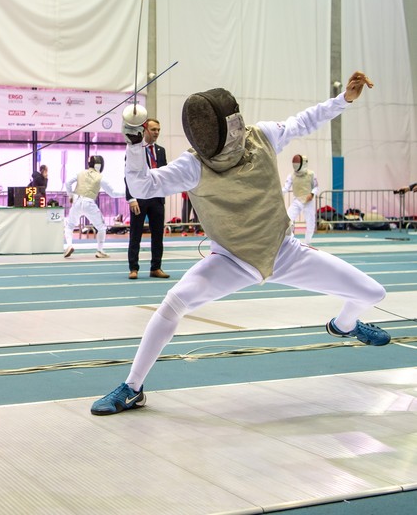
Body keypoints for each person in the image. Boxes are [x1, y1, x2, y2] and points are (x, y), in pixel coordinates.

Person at [91, 71, 390, 417]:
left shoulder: (263, 136)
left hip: (285, 251)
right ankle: (132, 388)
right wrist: (134, 146)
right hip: (231, 260)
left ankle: (345, 325)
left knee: (373, 293)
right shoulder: (193, 165)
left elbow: (304, 121)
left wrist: (343, 100)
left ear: (230, 125)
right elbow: (142, 186)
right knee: (174, 302)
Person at [126, 119, 169, 279]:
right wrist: (131, 198)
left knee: (158, 235)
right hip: (140, 198)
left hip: (157, 197)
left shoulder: (161, 151)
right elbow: (127, 174)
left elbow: (165, 173)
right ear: (145, 130)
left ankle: (155, 267)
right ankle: (133, 268)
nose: (156, 132)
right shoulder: (135, 150)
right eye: (153, 129)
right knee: (135, 234)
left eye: (158, 129)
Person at [63, 156, 123, 259]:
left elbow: (68, 182)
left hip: (77, 201)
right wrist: (128, 194)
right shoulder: (100, 177)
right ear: (99, 165)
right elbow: (113, 193)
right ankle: (100, 251)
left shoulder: (80, 173)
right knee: (102, 227)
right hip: (89, 203)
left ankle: (69, 245)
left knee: (70, 226)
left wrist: (71, 195)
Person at [282, 154, 319, 244]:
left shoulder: (311, 174)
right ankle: (290, 241)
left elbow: (316, 187)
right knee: (288, 219)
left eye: (297, 162)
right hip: (297, 201)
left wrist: (312, 193)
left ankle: (307, 243)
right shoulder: (291, 176)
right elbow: (285, 188)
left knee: (310, 223)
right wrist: (275, 192)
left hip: (308, 201)